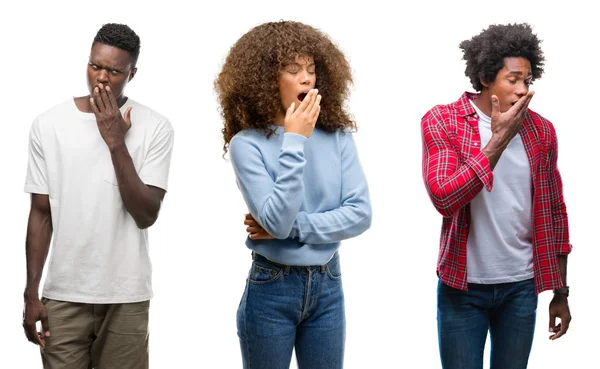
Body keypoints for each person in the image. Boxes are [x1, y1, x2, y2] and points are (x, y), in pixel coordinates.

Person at [215, 20, 372, 369]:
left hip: (329, 284)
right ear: (267, 79)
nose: (306, 79)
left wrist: (295, 228)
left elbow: (360, 214)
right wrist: (295, 139)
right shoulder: (247, 145)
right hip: (272, 288)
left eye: (312, 70)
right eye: (293, 70)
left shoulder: (338, 136)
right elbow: (276, 220)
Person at [22, 23, 174, 369]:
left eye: (114, 71)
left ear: (132, 73)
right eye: (95, 66)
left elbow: (146, 214)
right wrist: (31, 292)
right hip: (62, 296)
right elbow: (41, 213)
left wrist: (116, 143)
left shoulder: (156, 126)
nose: (101, 78)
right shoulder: (49, 124)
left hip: (126, 295)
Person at [421, 23, 572, 369]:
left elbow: (554, 213)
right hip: (462, 288)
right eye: (513, 79)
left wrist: (560, 292)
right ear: (487, 77)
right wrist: (497, 140)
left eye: (527, 81)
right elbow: (444, 197)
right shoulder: (443, 121)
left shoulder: (542, 131)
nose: (523, 90)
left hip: (521, 287)